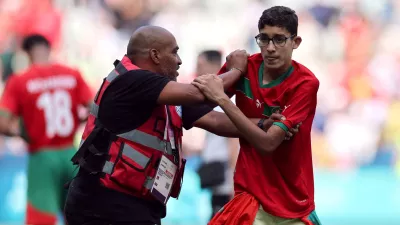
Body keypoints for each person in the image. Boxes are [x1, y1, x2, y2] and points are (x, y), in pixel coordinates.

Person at [64, 25, 294, 225]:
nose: (180, 60)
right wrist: (236, 70)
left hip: (135, 203)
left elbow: (215, 120)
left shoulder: (166, 94)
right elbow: (199, 94)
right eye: (174, 52)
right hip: (104, 203)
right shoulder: (130, 80)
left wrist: (263, 123)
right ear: (154, 55)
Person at [192, 6, 322, 225]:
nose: (270, 48)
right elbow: (194, 107)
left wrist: (223, 100)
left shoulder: (305, 83)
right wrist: (234, 73)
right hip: (250, 197)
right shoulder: (245, 68)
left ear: (296, 42)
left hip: (293, 203)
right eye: (264, 38)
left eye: (279, 39)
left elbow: (268, 143)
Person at [0, 34, 93, 225]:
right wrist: (78, 120)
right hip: (72, 154)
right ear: (49, 49)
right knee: (80, 217)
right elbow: (95, 108)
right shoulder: (72, 74)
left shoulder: (20, 81)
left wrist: (22, 134)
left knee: (41, 220)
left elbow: (3, 123)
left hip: (41, 156)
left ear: (26, 53)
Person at [195, 50, 239, 218]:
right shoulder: (213, 102)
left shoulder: (225, 103)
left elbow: (234, 143)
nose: (197, 71)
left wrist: (235, 185)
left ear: (214, 66)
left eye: (200, 66)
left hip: (226, 184)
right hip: (217, 182)